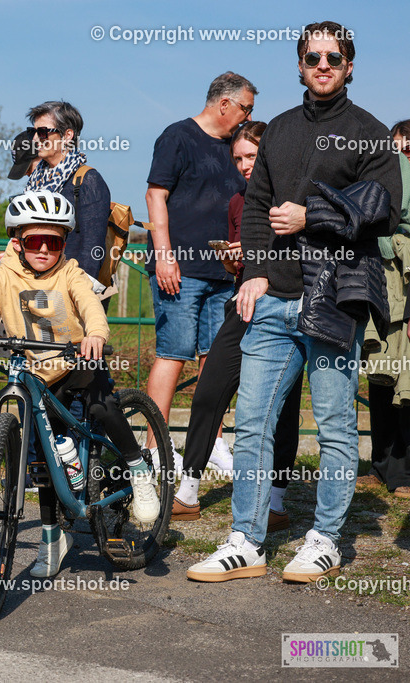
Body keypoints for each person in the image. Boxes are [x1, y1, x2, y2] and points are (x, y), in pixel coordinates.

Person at [187, 21, 402, 583]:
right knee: (253, 424)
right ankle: (247, 541)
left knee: (333, 425)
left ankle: (326, 538)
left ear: (350, 65)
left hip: (335, 299)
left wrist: (315, 216)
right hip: (275, 299)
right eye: (313, 57)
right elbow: (256, 205)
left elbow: (385, 210)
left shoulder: (370, 132)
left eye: (334, 57)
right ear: (300, 65)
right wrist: (254, 273)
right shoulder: (279, 129)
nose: (323, 64)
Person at [0, 190, 160, 578]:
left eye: (52, 242)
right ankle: (54, 538)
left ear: (63, 244)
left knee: (103, 403)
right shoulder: (3, 275)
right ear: (18, 243)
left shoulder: (69, 272)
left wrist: (96, 335)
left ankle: (138, 470)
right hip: (35, 373)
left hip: (77, 362)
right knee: (40, 455)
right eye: (34, 241)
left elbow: (89, 306)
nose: (43, 250)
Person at [174, 122, 301, 528]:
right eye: (239, 158)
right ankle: (188, 490)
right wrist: (233, 259)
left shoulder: (292, 199)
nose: (245, 165)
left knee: (285, 406)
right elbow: (238, 268)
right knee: (209, 391)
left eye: (252, 156)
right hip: (243, 304)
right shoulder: (236, 202)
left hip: (287, 304)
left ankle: (276, 503)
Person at [145, 72, 257, 472]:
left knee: (216, 362)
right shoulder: (177, 136)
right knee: (173, 354)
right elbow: (155, 195)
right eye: (246, 107)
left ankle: (212, 444)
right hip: (180, 269)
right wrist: (164, 256)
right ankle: (155, 449)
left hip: (224, 272)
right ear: (224, 103)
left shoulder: (235, 148)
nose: (248, 116)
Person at [358, 120, 410, 499]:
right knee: (380, 374)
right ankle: (380, 467)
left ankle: (404, 473)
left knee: (406, 382)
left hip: (406, 283)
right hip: (381, 281)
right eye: (396, 147)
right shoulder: (384, 175)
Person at [24, 101, 110, 286]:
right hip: (35, 283)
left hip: (70, 286)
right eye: (33, 132)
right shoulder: (36, 179)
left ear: (67, 135)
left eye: (42, 132)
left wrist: (81, 293)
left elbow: (93, 246)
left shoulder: (88, 180)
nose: (35, 139)